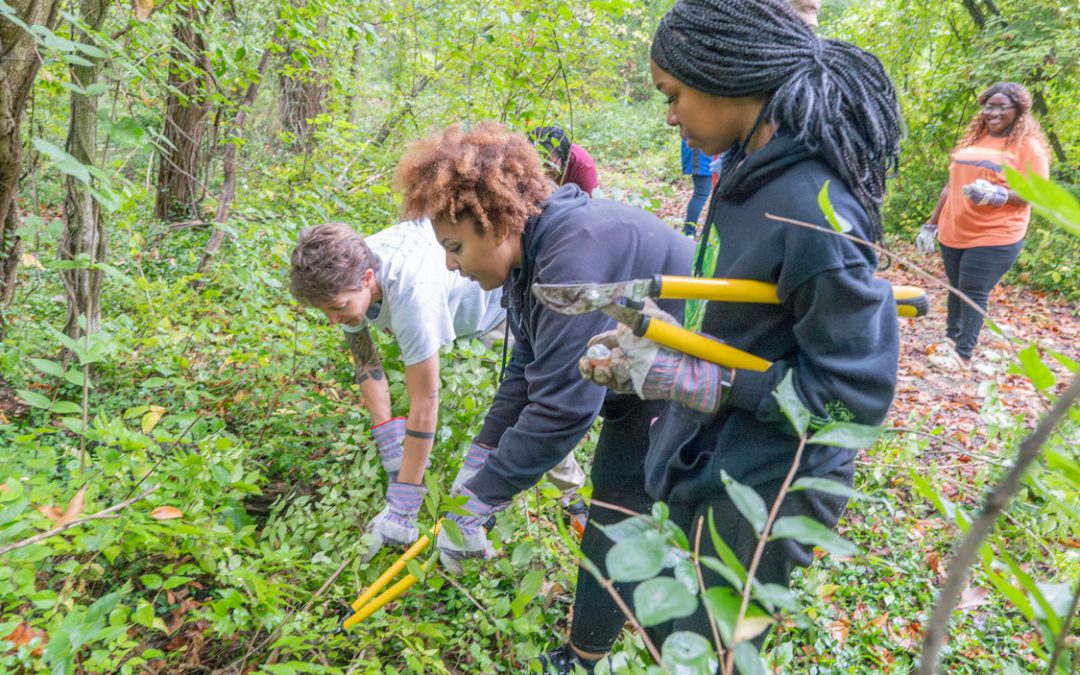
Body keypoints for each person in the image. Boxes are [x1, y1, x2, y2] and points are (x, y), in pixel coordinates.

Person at [575, 0, 903, 670]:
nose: (670, 117)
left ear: (727, 75)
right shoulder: (744, 169)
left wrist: (698, 377)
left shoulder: (818, 216)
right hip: (712, 452)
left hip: (771, 484)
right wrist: (668, 341)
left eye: (674, 96)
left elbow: (852, 403)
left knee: (707, 648)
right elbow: (743, 316)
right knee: (675, 633)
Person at [392, 121, 693, 674]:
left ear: (497, 221)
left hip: (700, 385)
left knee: (656, 523)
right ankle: (584, 658)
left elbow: (562, 409)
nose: (450, 265)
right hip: (641, 384)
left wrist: (481, 502)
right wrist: (479, 459)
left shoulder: (572, 252)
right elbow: (526, 370)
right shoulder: (538, 252)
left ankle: (678, 648)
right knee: (611, 512)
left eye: (455, 246)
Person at [288, 221, 585, 562]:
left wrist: (403, 502)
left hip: (498, 311)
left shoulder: (411, 295)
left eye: (338, 308)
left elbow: (425, 403)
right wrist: (387, 438)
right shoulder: (344, 271)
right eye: (325, 310)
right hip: (454, 316)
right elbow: (367, 365)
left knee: (538, 406)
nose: (332, 319)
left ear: (368, 278)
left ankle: (572, 496)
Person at [916, 82, 1050, 371]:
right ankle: (950, 342)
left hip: (996, 233)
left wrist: (999, 195)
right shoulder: (975, 139)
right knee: (956, 289)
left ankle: (962, 355)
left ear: (1018, 110)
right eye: (989, 106)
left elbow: (1038, 193)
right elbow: (951, 186)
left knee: (973, 290)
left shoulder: (1028, 146)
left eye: (1002, 106)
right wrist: (930, 224)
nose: (994, 112)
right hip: (954, 230)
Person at [529, 125, 599, 197]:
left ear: (562, 157)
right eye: (538, 165)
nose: (544, 171)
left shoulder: (582, 165)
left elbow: (590, 204)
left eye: (549, 165)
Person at [681, 137, 716, 237]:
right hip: (701, 153)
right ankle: (689, 232)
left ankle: (689, 231)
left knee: (702, 193)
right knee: (701, 193)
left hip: (704, 152)